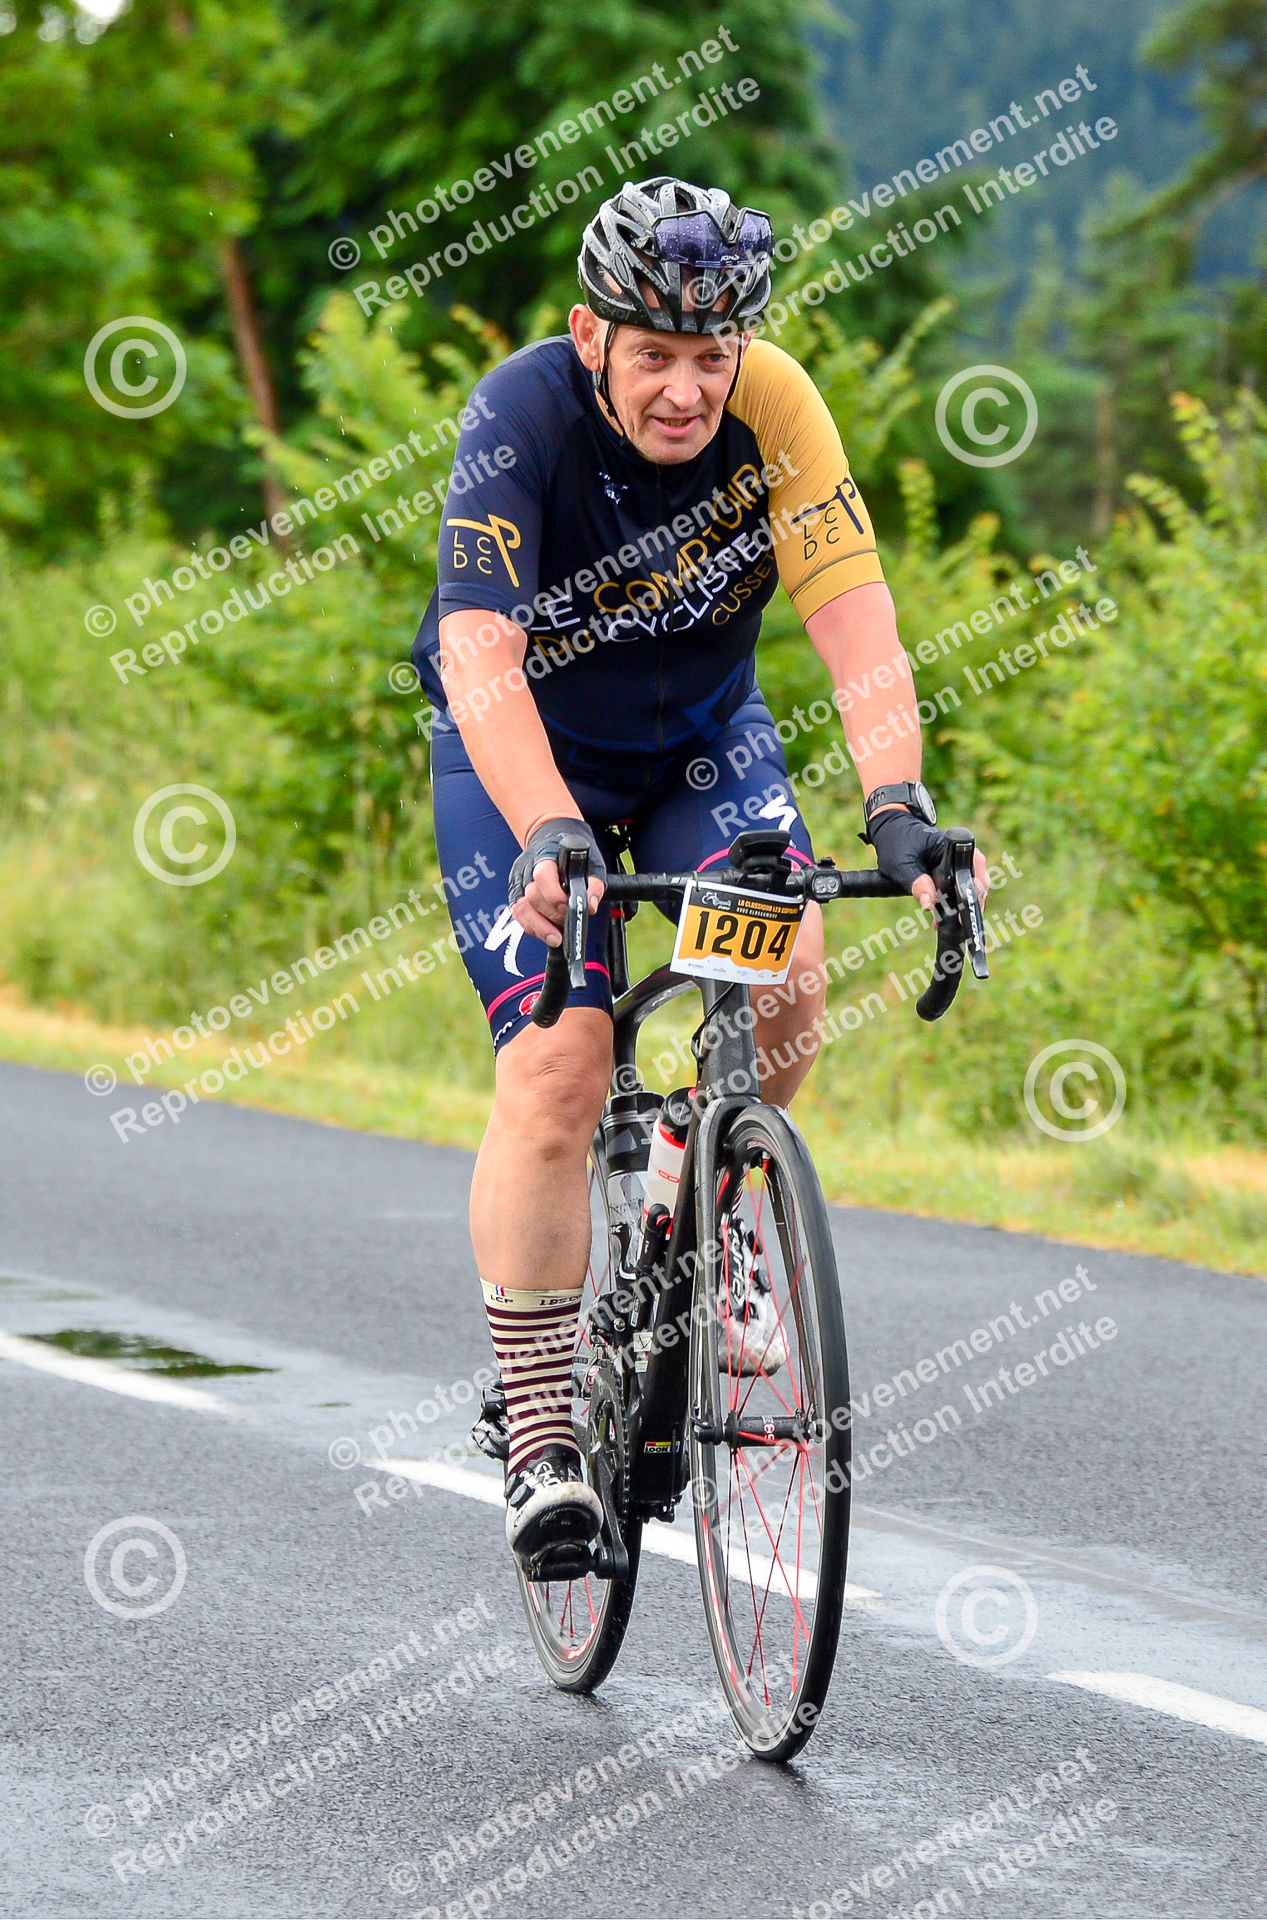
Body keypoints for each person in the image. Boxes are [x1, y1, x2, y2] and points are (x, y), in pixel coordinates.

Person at [411, 176, 988, 1575]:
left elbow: (855, 619)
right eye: (655, 355)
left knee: (787, 970)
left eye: (711, 356)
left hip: (697, 751)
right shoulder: (520, 412)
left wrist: (898, 808)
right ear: (591, 337)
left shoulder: (777, 407)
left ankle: (708, 1206)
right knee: (561, 1064)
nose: (686, 390)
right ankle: (541, 1433)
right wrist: (547, 829)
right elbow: (479, 651)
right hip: (523, 754)